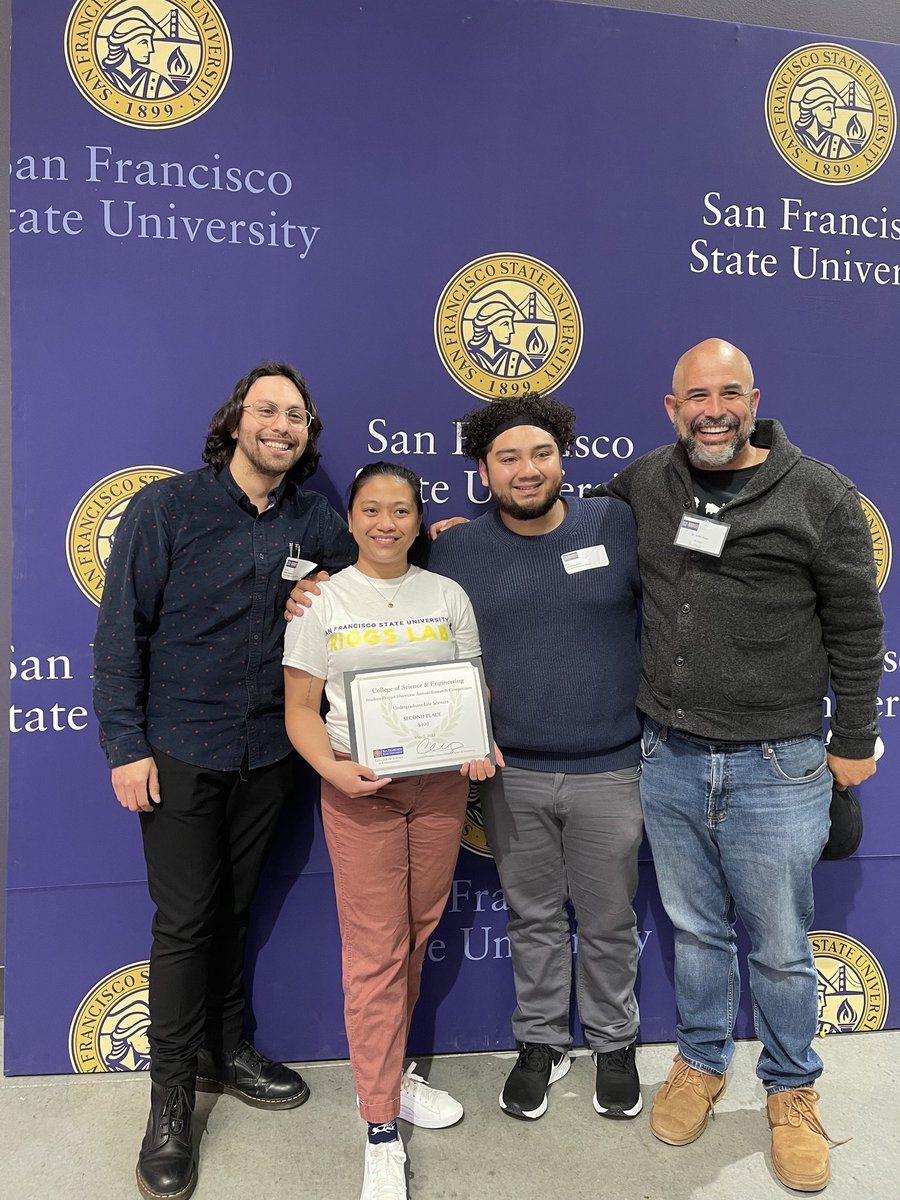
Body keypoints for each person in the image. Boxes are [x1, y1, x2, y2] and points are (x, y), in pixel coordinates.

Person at [290, 398, 646, 1125]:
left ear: (563, 458)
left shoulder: (613, 522)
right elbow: (379, 576)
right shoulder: (452, 551)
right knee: (533, 917)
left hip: (610, 765)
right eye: (507, 458)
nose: (526, 469)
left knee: (610, 918)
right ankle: (542, 1045)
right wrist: (307, 588)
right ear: (483, 472)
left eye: (539, 453)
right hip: (506, 771)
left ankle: (614, 1044)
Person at [590, 338, 883, 1193]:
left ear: (754, 399)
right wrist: (463, 538)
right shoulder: (645, 483)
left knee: (785, 947)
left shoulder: (819, 494)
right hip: (670, 755)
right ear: (670, 408)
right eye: (696, 397)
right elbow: (564, 534)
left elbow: (858, 629)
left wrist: (854, 738)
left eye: (728, 394)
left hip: (779, 763)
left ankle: (791, 1092)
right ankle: (700, 1061)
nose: (712, 410)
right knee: (696, 929)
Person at [93, 361, 357, 1200]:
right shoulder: (165, 508)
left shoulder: (316, 519)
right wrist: (125, 746)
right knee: (185, 923)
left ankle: (225, 1049)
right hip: (178, 752)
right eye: (268, 410)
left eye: (298, 416)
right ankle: (169, 1102)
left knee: (236, 909)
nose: (283, 425)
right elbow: (119, 633)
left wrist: (428, 545)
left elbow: (369, 586)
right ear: (236, 421)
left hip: (270, 754)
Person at [282, 461, 497, 1200]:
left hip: (438, 792)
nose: (385, 523)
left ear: (417, 518)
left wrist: (480, 736)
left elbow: (472, 685)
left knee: (413, 932)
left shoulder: (448, 595)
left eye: (400, 510)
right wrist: (332, 772)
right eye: (371, 510)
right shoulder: (322, 602)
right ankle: (379, 1126)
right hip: (359, 793)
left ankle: (391, 1074)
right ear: (351, 520)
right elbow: (301, 711)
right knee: (375, 951)